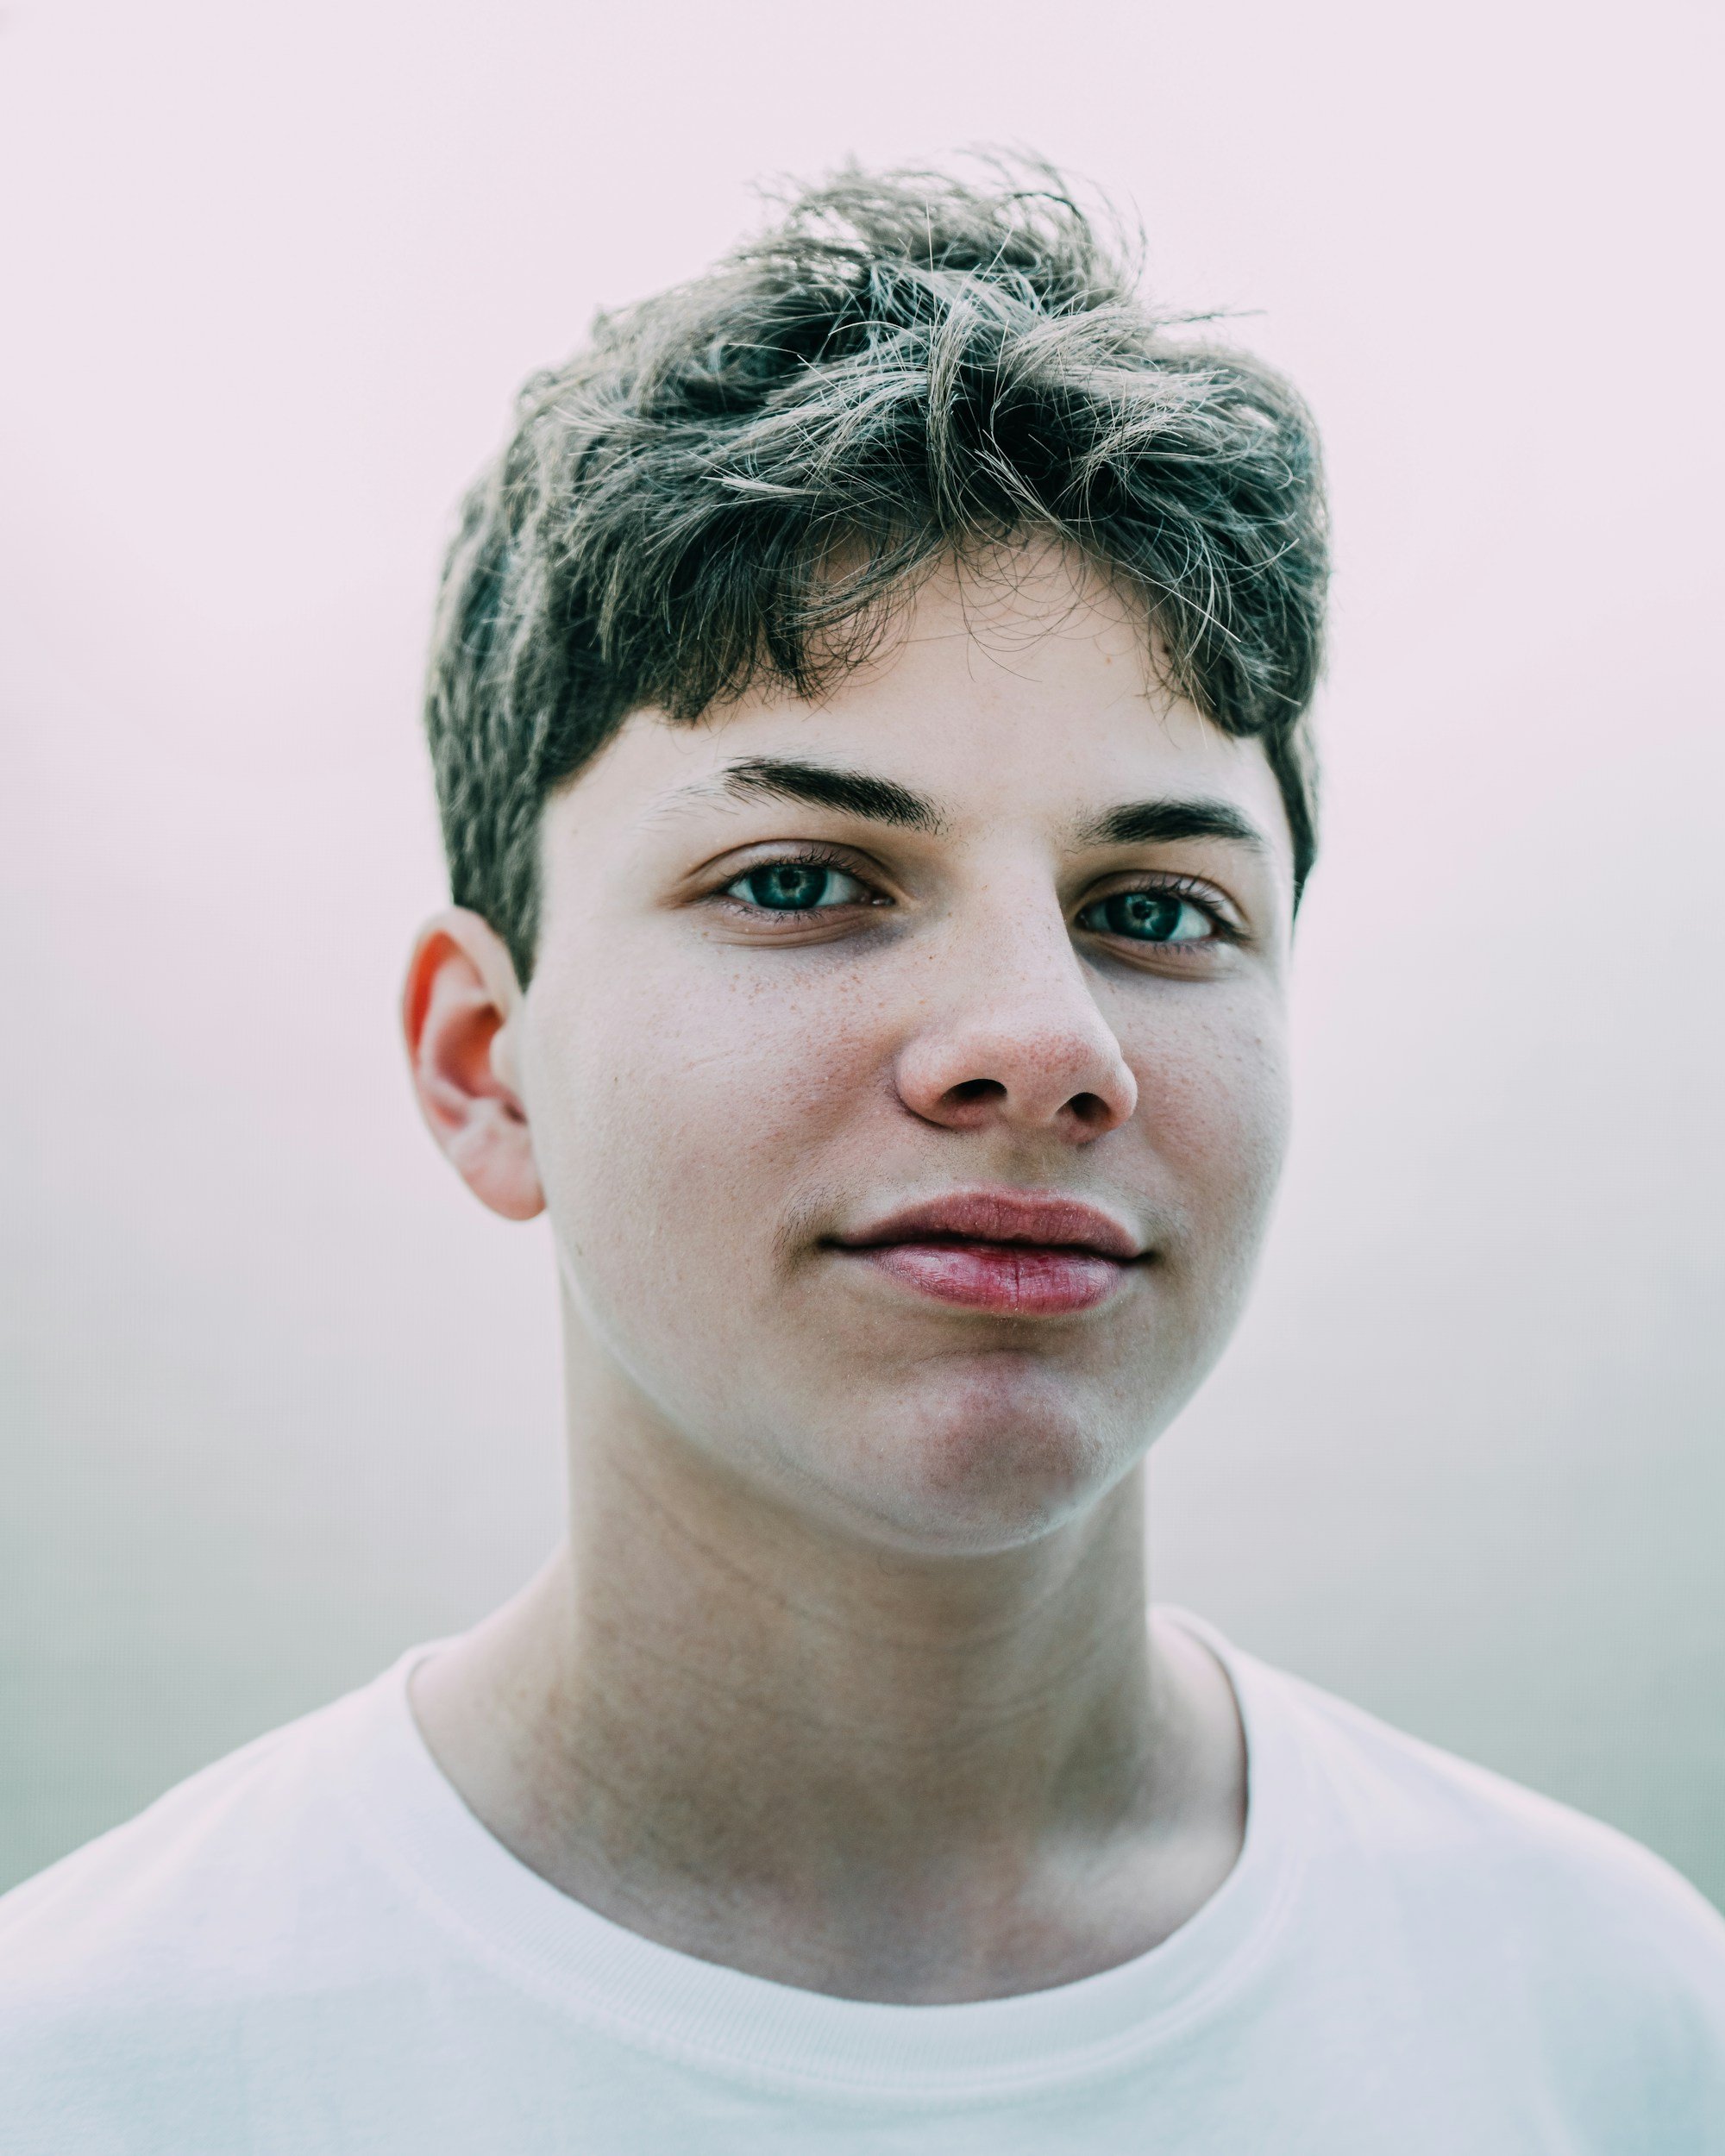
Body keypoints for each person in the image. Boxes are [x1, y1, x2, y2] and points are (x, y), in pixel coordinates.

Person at [3, 158, 1722, 2155]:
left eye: (1157, 907)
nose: (1045, 1044)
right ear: (490, 1064)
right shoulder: (92, 2065)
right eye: (806, 876)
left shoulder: (1617, 2028)